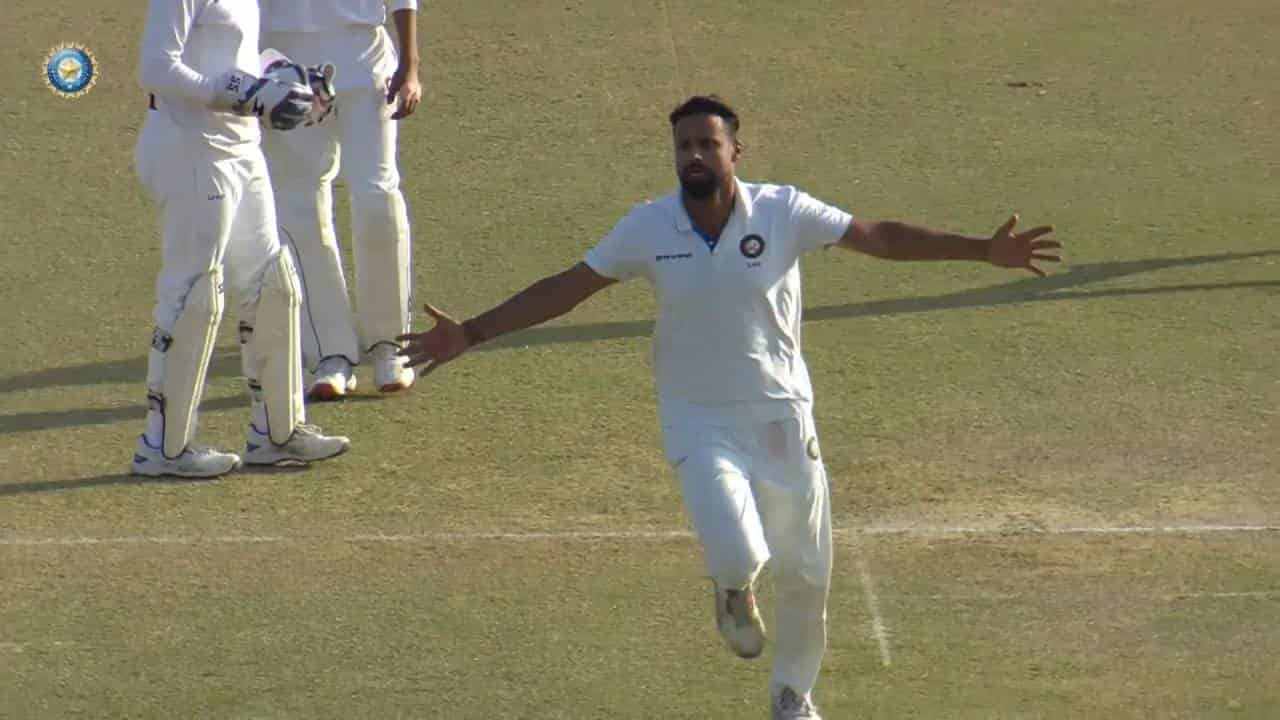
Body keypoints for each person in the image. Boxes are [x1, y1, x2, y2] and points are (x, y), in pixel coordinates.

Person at [396, 95, 1061, 719]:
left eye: (707, 144)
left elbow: (878, 236)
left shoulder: (783, 211)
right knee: (740, 552)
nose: (693, 155)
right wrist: (472, 332)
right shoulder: (648, 225)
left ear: (734, 152)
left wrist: (981, 250)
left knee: (806, 570)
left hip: (781, 414)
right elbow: (568, 288)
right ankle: (733, 588)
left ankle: (793, 696)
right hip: (698, 416)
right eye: (683, 145)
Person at [132, 0, 352, 478]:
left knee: (273, 285)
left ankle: (277, 433)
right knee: (193, 295)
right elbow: (156, 67)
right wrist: (245, 94)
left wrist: (285, 78)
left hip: (243, 148)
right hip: (191, 148)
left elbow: (234, 57)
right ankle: (162, 447)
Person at [259, 0, 422, 400]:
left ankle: (390, 345)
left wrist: (410, 63)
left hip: (365, 60)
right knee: (301, 205)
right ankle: (329, 353)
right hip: (285, 67)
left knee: (377, 197)